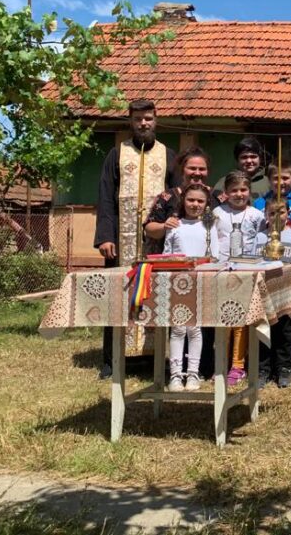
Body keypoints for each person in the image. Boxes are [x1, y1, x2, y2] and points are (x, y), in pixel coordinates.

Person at [94, 99, 179, 378]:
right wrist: (105, 236)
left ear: (156, 120)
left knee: (158, 293)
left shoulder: (168, 155)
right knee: (118, 295)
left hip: (158, 242)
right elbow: (106, 196)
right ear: (130, 121)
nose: (144, 123)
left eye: (148, 118)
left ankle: (157, 357)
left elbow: (176, 197)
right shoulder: (117, 154)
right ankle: (112, 359)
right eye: (138, 119)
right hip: (122, 241)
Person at [163, 183, 223, 392]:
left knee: (195, 329)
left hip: (200, 283)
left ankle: (193, 373)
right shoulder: (175, 226)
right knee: (178, 328)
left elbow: (215, 256)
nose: (195, 204)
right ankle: (175, 375)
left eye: (200, 201)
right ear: (183, 201)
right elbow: (167, 255)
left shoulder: (209, 226)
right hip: (177, 284)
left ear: (206, 204)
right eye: (191, 200)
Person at [212, 171, 264, 387]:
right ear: (226, 192)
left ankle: (238, 365)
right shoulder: (217, 213)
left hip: (246, 272)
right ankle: (221, 363)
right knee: (223, 319)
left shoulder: (256, 215)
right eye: (234, 190)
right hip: (222, 271)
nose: (239, 194)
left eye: (243, 190)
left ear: (249, 191)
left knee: (241, 320)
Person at [253, 197, 291, 388]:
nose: (277, 217)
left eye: (281, 212)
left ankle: (284, 368)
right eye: (272, 213)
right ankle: (263, 369)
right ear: (266, 214)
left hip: (287, 292)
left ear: (288, 213)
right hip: (266, 293)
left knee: (286, 332)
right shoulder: (260, 237)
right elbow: (254, 264)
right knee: (265, 331)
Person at [253, 159, 291, 228]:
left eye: (285, 178)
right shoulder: (259, 203)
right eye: (276, 178)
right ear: (269, 180)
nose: (281, 183)